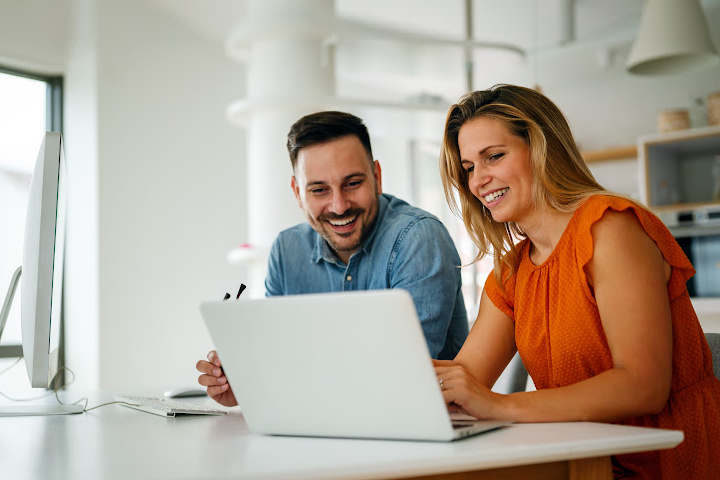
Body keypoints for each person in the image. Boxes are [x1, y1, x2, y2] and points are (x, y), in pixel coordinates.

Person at [434, 84, 720, 479]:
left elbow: (644, 385)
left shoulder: (611, 229)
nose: (479, 180)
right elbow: (462, 382)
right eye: (468, 168)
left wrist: (501, 405)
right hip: (582, 455)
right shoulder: (512, 273)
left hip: (663, 458)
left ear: (542, 148)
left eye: (494, 157)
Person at [198, 110, 468, 407]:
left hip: (419, 432)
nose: (338, 206)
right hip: (322, 428)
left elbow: (405, 378)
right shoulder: (287, 250)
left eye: (352, 183)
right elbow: (278, 359)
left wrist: (281, 378)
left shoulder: (419, 239)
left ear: (377, 178)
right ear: (297, 192)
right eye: (319, 190)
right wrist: (248, 383)